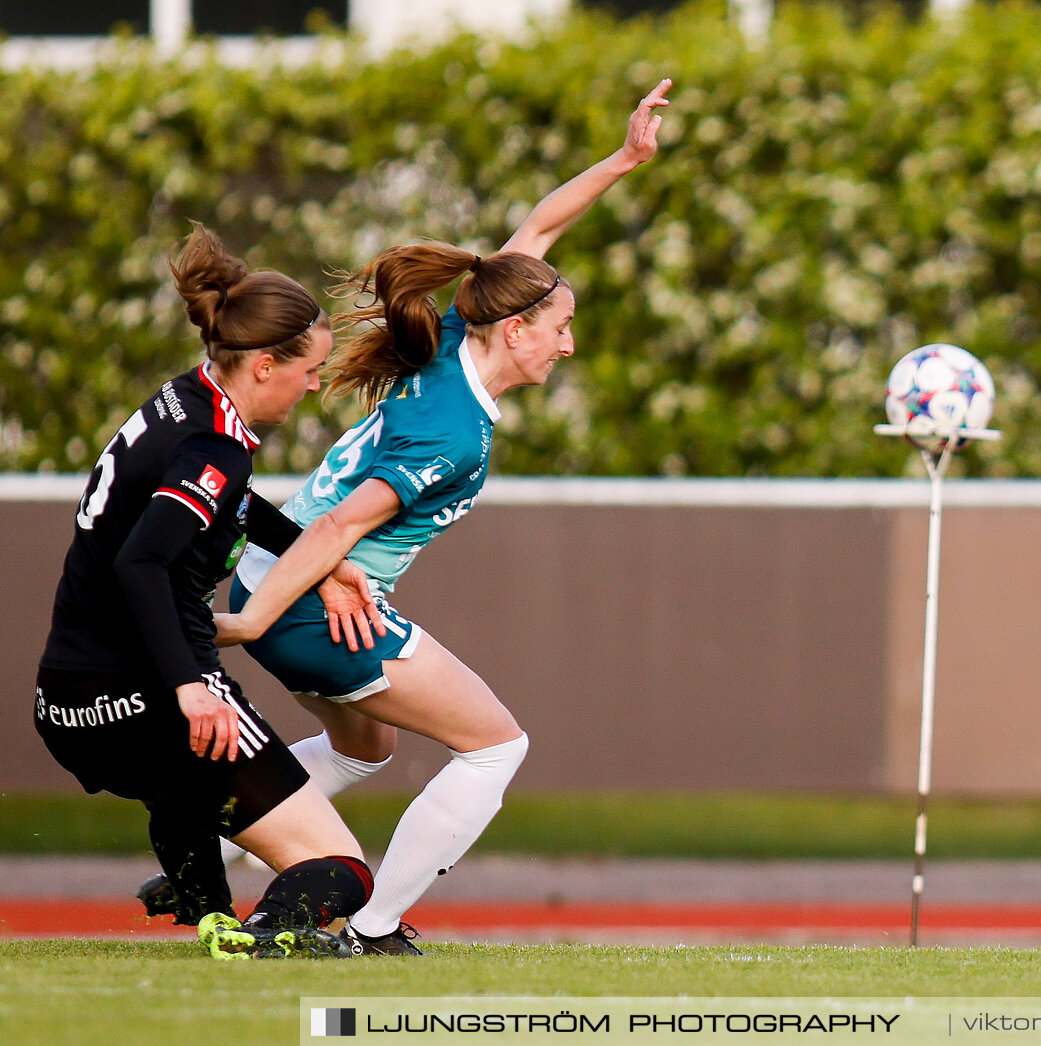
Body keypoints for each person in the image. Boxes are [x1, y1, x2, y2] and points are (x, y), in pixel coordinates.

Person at [204, 80, 673, 956]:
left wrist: (625, 159)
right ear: (518, 330)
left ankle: (206, 850)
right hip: (303, 601)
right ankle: (372, 930)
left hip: (281, 580)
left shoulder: (459, 344)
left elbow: (537, 234)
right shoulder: (452, 433)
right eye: (562, 327)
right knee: (496, 746)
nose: (569, 344)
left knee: (362, 753)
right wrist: (253, 623)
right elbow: (343, 525)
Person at [36, 225, 381, 959]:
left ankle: (199, 897)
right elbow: (142, 563)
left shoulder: (183, 402)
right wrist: (192, 686)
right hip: (150, 700)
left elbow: (224, 507)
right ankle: (256, 937)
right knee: (343, 875)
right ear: (263, 365)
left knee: (186, 786)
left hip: (66, 700)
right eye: (312, 369)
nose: (315, 384)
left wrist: (318, 557)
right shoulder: (212, 446)